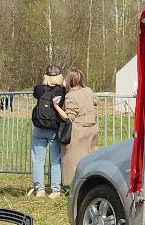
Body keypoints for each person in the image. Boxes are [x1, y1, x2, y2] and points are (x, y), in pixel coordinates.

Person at [28, 66, 68, 197]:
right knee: (55, 160)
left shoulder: (39, 89)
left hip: (39, 128)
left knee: (38, 160)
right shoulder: (61, 91)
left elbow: (36, 92)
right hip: (54, 129)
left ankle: (39, 189)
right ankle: (55, 190)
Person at [60, 67, 100, 178]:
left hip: (79, 131)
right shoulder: (88, 90)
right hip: (92, 128)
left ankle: (73, 183)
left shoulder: (71, 96)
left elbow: (68, 118)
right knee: (91, 156)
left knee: (74, 158)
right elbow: (96, 101)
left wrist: (56, 107)